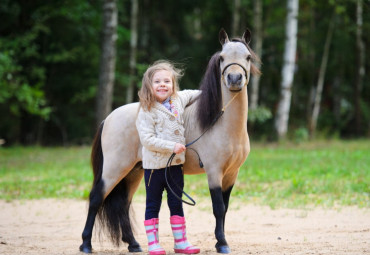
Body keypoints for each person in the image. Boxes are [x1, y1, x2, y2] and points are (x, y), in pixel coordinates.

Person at [136, 60, 200, 255]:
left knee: (176, 203)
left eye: (167, 81)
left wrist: (212, 90)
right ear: (149, 85)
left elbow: (195, 93)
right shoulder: (146, 110)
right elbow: (147, 140)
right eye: (157, 81)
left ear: (173, 85)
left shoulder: (178, 100)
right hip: (155, 168)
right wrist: (172, 146)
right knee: (153, 204)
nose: (163, 84)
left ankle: (181, 242)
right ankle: (153, 243)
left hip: (175, 167)